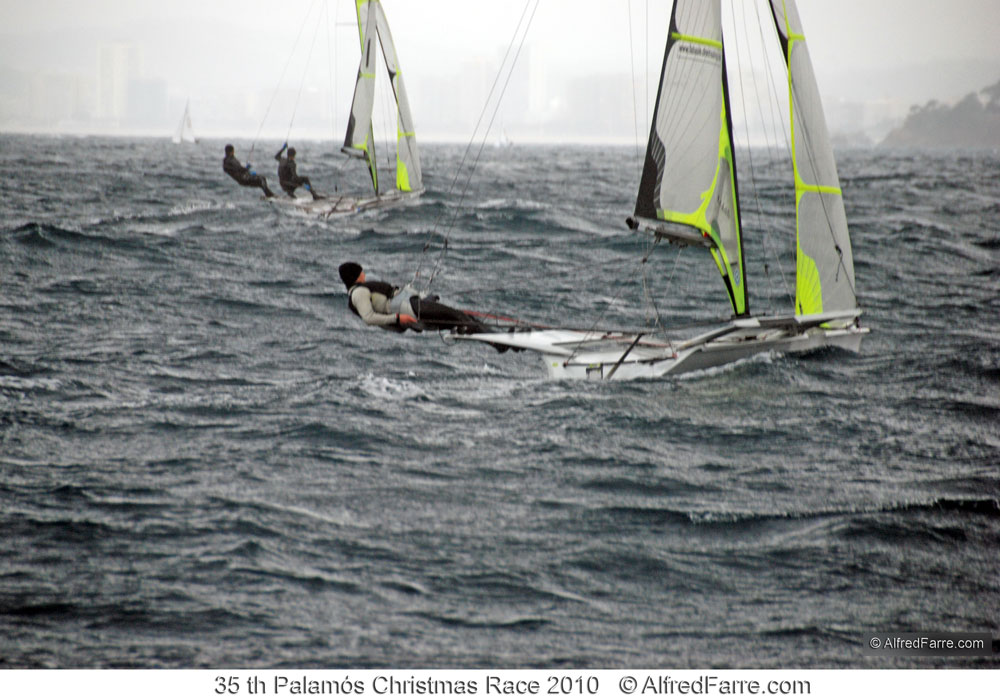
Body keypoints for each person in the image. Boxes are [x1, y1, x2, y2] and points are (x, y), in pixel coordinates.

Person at [338, 262, 488, 335]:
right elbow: (369, 318)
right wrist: (398, 318)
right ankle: (495, 338)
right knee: (458, 317)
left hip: (411, 305)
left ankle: (499, 341)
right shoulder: (358, 293)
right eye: (361, 272)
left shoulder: (364, 286)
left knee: (463, 319)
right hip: (408, 309)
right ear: (355, 276)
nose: (364, 273)